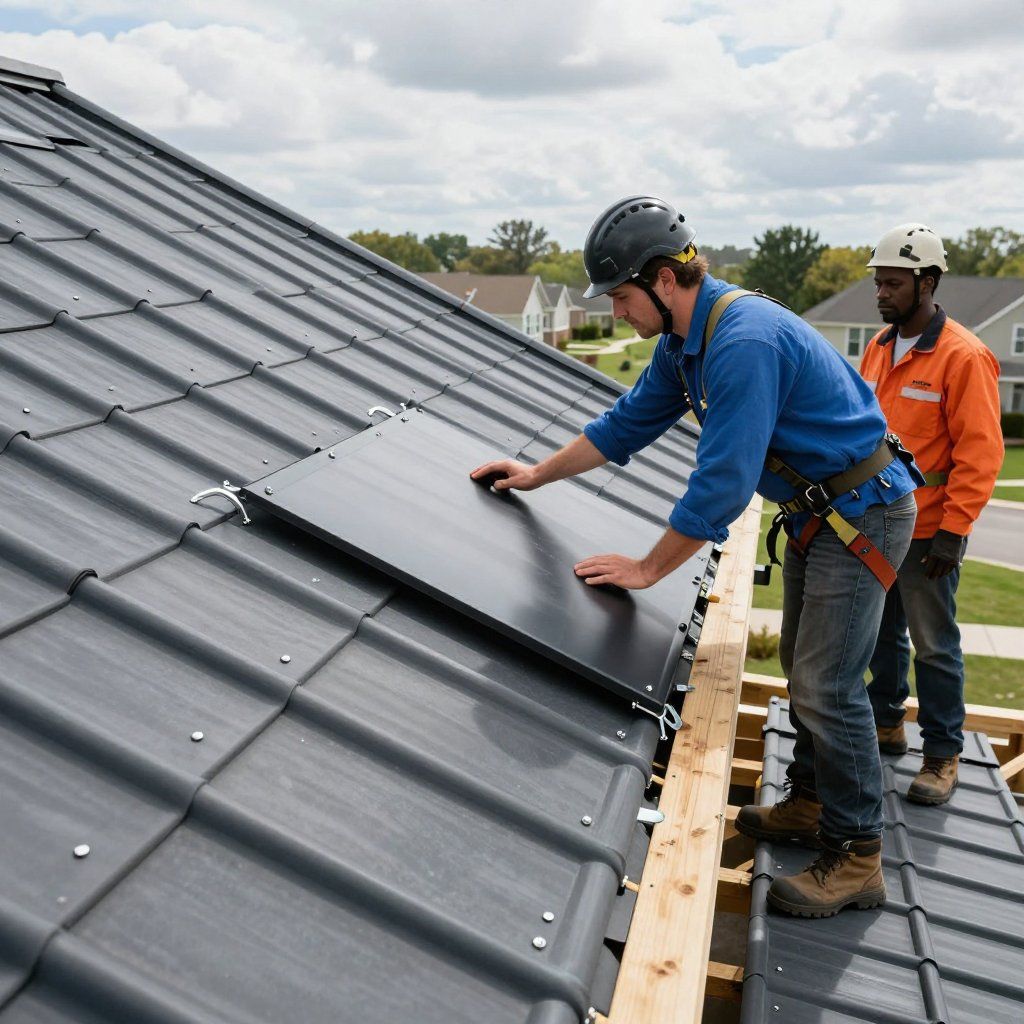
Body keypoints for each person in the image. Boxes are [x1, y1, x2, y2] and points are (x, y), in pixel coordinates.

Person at [471, 196, 922, 917]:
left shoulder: (742, 341)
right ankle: (810, 801)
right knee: (809, 665)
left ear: (663, 279)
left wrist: (649, 570)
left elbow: (723, 483)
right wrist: (533, 475)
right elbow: (624, 426)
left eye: (620, 296)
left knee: (826, 685)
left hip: (863, 512)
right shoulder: (686, 345)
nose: (617, 312)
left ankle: (858, 856)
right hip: (824, 513)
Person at [861, 224, 1003, 804]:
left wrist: (954, 532)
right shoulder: (877, 346)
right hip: (874, 522)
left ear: (928, 282)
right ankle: (887, 724)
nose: (882, 294)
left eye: (893, 283)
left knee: (935, 645)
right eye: (879, 283)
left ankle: (942, 755)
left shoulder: (964, 357)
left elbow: (981, 453)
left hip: (926, 531)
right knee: (880, 634)